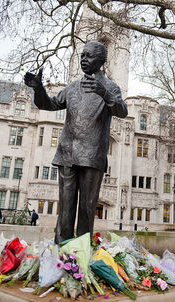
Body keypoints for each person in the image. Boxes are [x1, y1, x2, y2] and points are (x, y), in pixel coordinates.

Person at [24, 41, 128, 244]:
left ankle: (81, 254)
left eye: (89, 56)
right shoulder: (72, 88)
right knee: (66, 206)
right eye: (82, 55)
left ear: (101, 60)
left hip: (92, 155)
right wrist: (38, 89)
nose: (84, 59)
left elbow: (122, 111)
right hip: (67, 153)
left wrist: (104, 93)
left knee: (87, 209)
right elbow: (49, 104)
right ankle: (61, 249)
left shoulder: (110, 87)